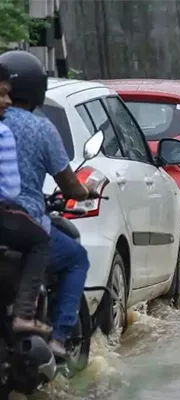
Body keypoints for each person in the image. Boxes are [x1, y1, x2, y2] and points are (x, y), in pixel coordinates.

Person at [0, 50, 98, 358]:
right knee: (76, 258)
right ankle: (58, 338)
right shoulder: (41, 128)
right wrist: (86, 191)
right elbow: (69, 183)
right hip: (24, 221)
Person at [0, 62, 52, 337]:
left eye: (8, 94)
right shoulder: (4, 133)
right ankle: (24, 314)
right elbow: (9, 190)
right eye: (1, 94)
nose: (6, 101)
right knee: (40, 243)